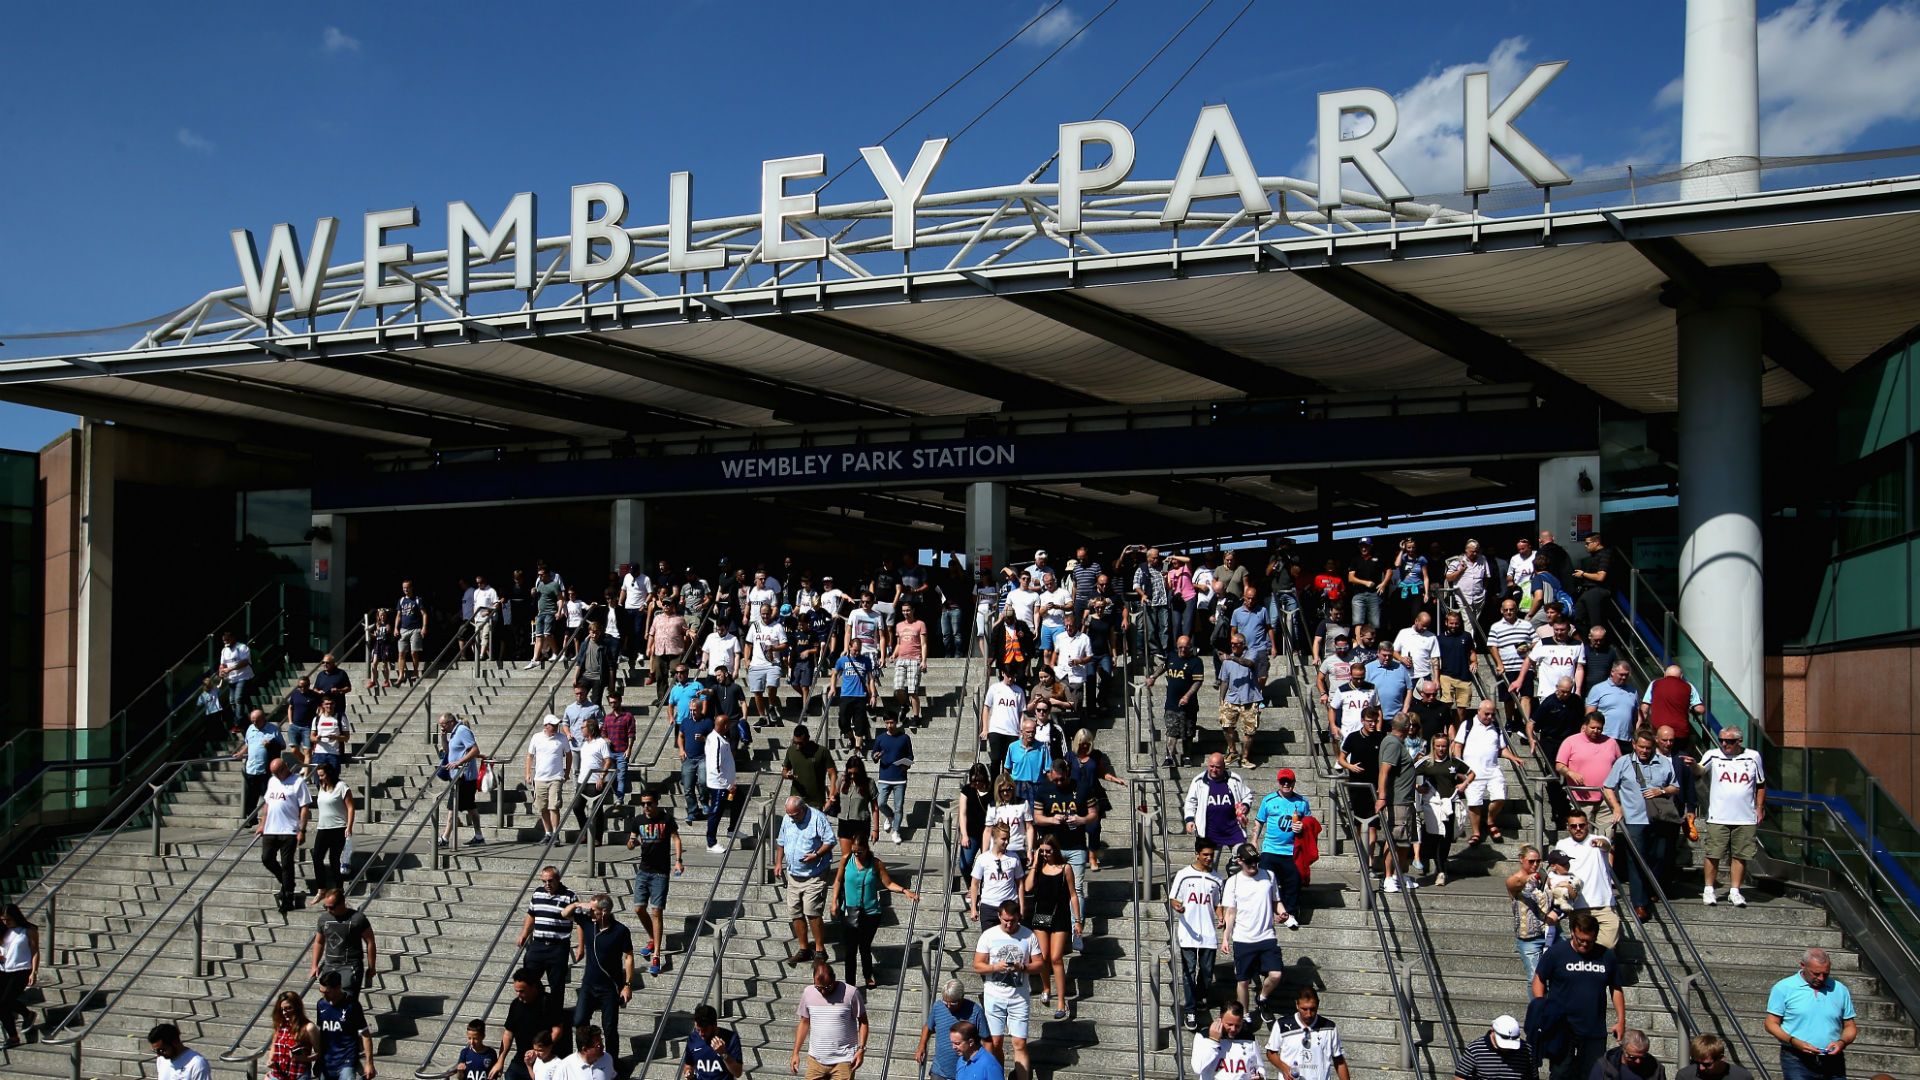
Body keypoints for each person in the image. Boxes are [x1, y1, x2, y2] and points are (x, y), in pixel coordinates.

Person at [1531, 911, 1625, 1080]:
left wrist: (1621, 1021)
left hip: (1593, 1028)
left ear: (1596, 936)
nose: (1583, 944)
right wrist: (1540, 1006)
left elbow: (1616, 988)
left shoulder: (1606, 956)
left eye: (1589, 941)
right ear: (1573, 933)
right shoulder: (1556, 953)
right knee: (1561, 1073)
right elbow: (1538, 979)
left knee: (1593, 1074)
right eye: (1579, 940)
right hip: (1561, 1027)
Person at [1601, 732, 1680, 920]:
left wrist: (1660, 790)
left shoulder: (1663, 762)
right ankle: (1639, 903)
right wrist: (1617, 807)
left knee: (1659, 856)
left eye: (1648, 747)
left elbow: (1675, 786)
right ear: (1634, 744)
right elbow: (1608, 786)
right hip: (1634, 819)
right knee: (1636, 861)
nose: (1645, 751)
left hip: (1659, 819)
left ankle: (1651, 888)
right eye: (1641, 747)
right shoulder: (1623, 762)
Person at [829, 834, 919, 990]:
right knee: (850, 948)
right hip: (849, 910)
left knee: (864, 945)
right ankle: (850, 983)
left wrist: (905, 891)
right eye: (854, 851)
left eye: (859, 852)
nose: (856, 854)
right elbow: (838, 881)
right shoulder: (846, 860)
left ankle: (868, 974)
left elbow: (888, 883)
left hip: (870, 912)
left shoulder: (876, 864)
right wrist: (834, 901)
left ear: (866, 849)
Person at [973, 900, 1044, 1080]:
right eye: (1005, 920)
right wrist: (996, 967)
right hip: (994, 996)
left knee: (1019, 1043)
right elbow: (978, 965)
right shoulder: (988, 935)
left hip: (1018, 997)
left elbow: (1040, 964)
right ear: (999, 916)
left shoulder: (1029, 936)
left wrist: (1023, 967)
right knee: (995, 1043)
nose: (1008, 924)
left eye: (1012, 920)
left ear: (1019, 917)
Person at [560, 894, 634, 1065]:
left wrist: (627, 985)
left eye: (594, 910)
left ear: (605, 911)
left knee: (609, 1028)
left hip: (609, 987)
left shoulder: (620, 931)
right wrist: (579, 903)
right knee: (579, 1021)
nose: (590, 912)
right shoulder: (587, 923)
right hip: (589, 985)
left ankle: (612, 1063)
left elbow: (628, 957)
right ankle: (584, 1055)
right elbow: (564, 914)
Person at [1219, 842, 1289, 1022]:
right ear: (1239, 861)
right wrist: (1226, 937)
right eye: (1249, 862)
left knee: (1276, 974)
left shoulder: (1269, 876)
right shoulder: (1233, 882)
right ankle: (1245, 1015)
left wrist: (1282, 913)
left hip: (1266, 936)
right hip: (1243, 938)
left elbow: (1276, 901)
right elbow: (1230, 912)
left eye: (1256, 861)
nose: (1253, 865)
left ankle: (1262, 997)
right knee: (1242, 981)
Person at [1696, 725, 1765, 908]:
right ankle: (1709, 889)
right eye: (1722, 740)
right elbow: (1700, 770)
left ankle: (1735, 891)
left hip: (1744, 816)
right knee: (1713, 853)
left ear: (1739, 741)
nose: (1725, 744)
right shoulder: (1713, 754)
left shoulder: (1753, 756)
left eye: (1730, 741)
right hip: (1719, 815)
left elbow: (1761, 784)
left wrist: (1759, 807)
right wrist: (1692, 765)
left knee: (1740, 855)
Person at [1032, 758, 1098, 946]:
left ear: (1068, 774)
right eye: (1055, 779)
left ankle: (1077, 930)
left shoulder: (1083, 788)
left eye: (1062, 779)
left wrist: (1080, 820)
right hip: (1052, 848)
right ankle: (1048, 929)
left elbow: (1094, 813)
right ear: (1051, 775)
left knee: (1075, 889)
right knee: (1048, 889)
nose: (1059, 783)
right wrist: (1052, 820)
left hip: (1076, 846)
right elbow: (1037, 817)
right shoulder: (1044, 790)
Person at [1765, 947, 1857, 1080]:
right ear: (1803, 966)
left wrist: (1842, 1042)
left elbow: (1850, 1025)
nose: (1821, 978)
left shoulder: (1840, 989)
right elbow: (1770, 1023)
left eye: (1825, 974)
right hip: (1797, 1059)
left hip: (1832, 1060)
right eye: (1816, 973)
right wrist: (1793, 1041)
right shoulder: (1784, 988)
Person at [1021, 835, 1080, 1020]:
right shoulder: (1038, 868)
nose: (1045, 854)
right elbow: (1028, 888)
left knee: (1056, 957)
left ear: (1055, 850)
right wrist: (1035, 862)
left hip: (1059, 916)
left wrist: (1077, 920)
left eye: (1048, 851)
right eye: (1042, 851)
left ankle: (1061, 1001)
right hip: (1041, 915)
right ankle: (1046, 987)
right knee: (1043, 956)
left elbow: (1073, 894)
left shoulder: (1065, 868)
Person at [624, 791, 682, 977]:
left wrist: (679, 860)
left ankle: (656, 954)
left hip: (660, 873)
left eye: (649, 803)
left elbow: (676, 838)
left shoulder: (666, 819)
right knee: (639, 909)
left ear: (656, 803)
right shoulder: (638, 820)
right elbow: (630, 844)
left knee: (656, 911)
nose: (646, 807)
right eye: (643, 804)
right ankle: (652, 938)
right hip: (644, 870)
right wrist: (631, 843)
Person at [1457, 700, 1529, 845]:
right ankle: (1476, 833)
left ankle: (1490, 820)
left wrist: (1514, 758)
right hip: (1472, 772)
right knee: (1474, 802)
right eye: (1486, 714)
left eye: (1492, 714)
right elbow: (1458, 745)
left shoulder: (1496, 726)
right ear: (1479, 711)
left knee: (1500, 797)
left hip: (1492, 769)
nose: (1490, 717)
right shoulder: (1467, 725)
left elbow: (1502, 749)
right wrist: (1459, 766)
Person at [1170, 837, 1224, 1031]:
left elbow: (1218, 904)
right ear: (1197, 854)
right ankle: (1190, 1009)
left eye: (1211, 855)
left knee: (1207, 972)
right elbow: (1174, 898)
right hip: (1188, 931)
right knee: (1189, 972)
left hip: (1208, 932)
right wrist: (1178, 907)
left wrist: (1221, 917)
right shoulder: (1184, 874)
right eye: (1205, 855)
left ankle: (1199, 995)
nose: (1209, 858)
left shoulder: (1217, 879)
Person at [776, 794, 837, 965]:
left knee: (812, 910)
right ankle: (804, 948)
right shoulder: (788, 820)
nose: (792, 818)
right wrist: (778, 862)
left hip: (815, 874)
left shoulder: (818, 818)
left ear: (802, 809)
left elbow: (830, 841)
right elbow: (781, 841)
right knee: (795, 911)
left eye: (795, 815)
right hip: (793, 874)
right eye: (789, 815)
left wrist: (816, 854)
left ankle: (820, 950)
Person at [514, 865, 578, 1015]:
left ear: (558, 879)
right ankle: (533, 1009)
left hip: (558, 947)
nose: (547, 885)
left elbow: (580, 922)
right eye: (544, 881)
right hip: (538, 944)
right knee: (529, 980)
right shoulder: (538, 893)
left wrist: (581, 946)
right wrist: (524, 933)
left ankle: (555, 1016)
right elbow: (531, 914)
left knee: (557, 985)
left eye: (550, 881)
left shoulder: (569, 896)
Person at [1553, 808, 1619, 948]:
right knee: (1582, 949)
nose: (1578, 829)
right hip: (1578, 907)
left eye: (1581, 825)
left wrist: (1601, 843)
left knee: (1607, 947)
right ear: (1568, 827)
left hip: (1603, 905)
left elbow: (1606, 845)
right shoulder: (1562, 845)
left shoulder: (1597, 840)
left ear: (1587, 824)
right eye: (1573, 826)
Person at [792, 958, 869, 1079]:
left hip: (843, 1061)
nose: (823, 991)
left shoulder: (851, 993)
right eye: (818, 987)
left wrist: (861, 1049)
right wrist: (795, 1053)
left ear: (834, 978)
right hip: (815, 1060)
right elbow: (804, 1022)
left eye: (827, 987)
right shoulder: (808, 993)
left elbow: (863, 1021)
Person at [1414, 731, 1472, 886]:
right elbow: (1408, 773)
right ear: (1433, 746)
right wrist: (1418, 787)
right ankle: (1440, 869)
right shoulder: (1427, 762)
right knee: (1435, 836)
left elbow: (1471, 773)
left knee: (1446, 837)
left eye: (1444, 746)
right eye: (1438, 746)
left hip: (1450, 802)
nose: (1441, 749)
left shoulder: (1454, 761)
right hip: (1433, 803)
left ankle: (1442, 867)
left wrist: (1464, 784)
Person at [1251, 769, 1308, 922]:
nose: (1286, 784)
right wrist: (1254, 840)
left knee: (1293, 881)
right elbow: (1259, 821)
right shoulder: (1269, 800)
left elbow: (1310, 823)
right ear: (1279, 782)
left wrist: (1303, 826)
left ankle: (1290, 913)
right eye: (1283, 781)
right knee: (1264, 882)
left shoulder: (1302, 802)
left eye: (1289, 781)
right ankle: (1265, 911)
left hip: (1292, 851)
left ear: (1294, 782)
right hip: (1271, 848)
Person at [257, 757, 310, 913]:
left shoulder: (298, 782)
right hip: (271, 828)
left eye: (278, 772)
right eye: (274, 773)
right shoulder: (273, 781)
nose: (277, 775)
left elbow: (305, 807)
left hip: (289, 830)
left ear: (285, 768)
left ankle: (288, 897)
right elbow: (267, 803)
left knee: (287, 864)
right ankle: (287, 883)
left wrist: (302, 830)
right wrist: (262, 824)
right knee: (267, 858)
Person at [1264, 985, 1350, 1080]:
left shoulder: (1329, 1027)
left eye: (1312, 1009)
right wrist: (1284, 1068)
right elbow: (1271, 1052)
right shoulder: (1282, 1025)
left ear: (1318, 1004)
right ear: (1297, 1005)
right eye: (1304, 1009)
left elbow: (1339, 1060)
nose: (1308, 1014)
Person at [1556, 713, 1623, 834]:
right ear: (1585, 726)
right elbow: (1559, 765)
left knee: (1606, 838)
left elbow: (1621, 766)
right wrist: (1570, 773)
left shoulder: (1611, 743)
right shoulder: (1571, 741)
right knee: (1583, 837)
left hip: (1606, 799)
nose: (1596, 731)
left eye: (1599, 728)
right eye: (1593, 727)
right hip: (1581, 798)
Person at [496, 970, 566, 1080]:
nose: (518, 994)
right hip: (521, 1061)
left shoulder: (548, 1002)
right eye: (516, 991)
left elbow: (557, 1030)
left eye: (522, 991)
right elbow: (508, 1034)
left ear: (533, 987)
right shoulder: (515, 1005)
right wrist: (500, 1060)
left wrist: (539, 1049)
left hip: (543, 1061)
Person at [1377, 713, 1420, 893]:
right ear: (1406, 727)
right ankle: (1388, 877)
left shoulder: (1397, 743)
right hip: (1397, 801)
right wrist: (1382, 797)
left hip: (1406, 800)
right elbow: (1384, 771)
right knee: (1393, 840)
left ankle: (1398, 875)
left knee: (1403, 841)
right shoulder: (1393, 743)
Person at [1068, 729, 1122, 871]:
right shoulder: (1070, 756)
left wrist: (1115, 779)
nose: (1085, 746)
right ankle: (1078, 857)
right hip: (1075, 797)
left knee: (1094, 828)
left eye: (1087, 743)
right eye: (1082, 743)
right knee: (1075, 828)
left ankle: (1092, 857)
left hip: (1093, 797)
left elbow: (1102, 772)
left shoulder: (1095, 755)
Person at [310, 887, 377, 998]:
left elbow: (370, 942)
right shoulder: (324, 919)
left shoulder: (358, 919)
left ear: (342, 903)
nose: (328, 910)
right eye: (325, 907)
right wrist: (314, 965)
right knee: (328, 997)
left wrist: (372, 967)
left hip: (350, 966)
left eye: (331, 907)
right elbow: (319, 942)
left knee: (347, 998)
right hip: (330, 965)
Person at [1149, 634, 1205, 766]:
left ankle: (1187, 756)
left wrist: (1187, 696)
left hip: (1189, 704)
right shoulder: (1172, 656)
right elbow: (1163, 666)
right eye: (1180, 647)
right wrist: (1153, 677)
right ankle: (1169, 756)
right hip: (1172, 703)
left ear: (1190, 647)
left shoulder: (1196, 662)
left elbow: (1198, 682)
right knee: (1172, 729)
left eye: (1185, 647)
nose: (1183, 650)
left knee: (1188, 731)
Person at [1506, 846, 1559, 984]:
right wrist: (1529, 878)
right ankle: (1538, 1005)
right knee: (1535, 979)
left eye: (1538, 861)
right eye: (1531, 861)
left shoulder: (1543, 876)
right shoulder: (1514, 879)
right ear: (1521, 859)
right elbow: (1515, 883)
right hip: (1529, 937)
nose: (1535, 864)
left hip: (1550, 931)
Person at [314, 969, 377, 1080]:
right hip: (327, 1061)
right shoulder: (321, 1004)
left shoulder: (352, 1005)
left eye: (327, 992)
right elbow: (321, 1033)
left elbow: (365, 1034)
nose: (324, 995)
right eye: (321, 991)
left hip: (347, 1060)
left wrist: (369, 1063)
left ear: (338, 988)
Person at [1186, 752, 1255, 850]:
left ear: (1223, 766)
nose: (1214, 770)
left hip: (1233, 829)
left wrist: (1245, 806)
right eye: (1211, 766)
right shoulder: (1199, 781)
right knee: (1208, 862)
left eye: (1217, 767)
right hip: (1209, 831)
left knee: (1241, 859)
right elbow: (1190, 801)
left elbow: (1247, 795)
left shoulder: (1234, 779)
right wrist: (1189, 820)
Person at [1217, 635, 1265, 768]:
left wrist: (1230, 658)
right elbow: (1224, 680)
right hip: (1232, 698)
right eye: (1232, 644)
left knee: (1249, 731)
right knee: (1226, 726)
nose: (1233, 646)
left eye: (1236, 644)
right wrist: (1221, 699)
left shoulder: (1252, 653)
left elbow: (1249, 663)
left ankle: (1245, 758)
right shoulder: (1227, 661)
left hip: (1249, 699)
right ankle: (1232, 751)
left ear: (1243, 644)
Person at [439, 712, 485, 847]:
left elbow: (475, 750)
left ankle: (445, 838)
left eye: (443, 725)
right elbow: (448, 751)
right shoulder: (453, 733)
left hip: (464, 776)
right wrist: (443, 737)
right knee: (471, 807)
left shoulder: (462, 731)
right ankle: (479, 836)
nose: (442, 728)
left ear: (450, 722)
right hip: (457, 776)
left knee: (452, 807)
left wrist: (459, 762)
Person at [309, 763, 355, 899]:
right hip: (323, 827)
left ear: (329, 773)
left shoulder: (342, 787)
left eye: (322, 775)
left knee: (334, 859)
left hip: (338, 827)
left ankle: (339, 888)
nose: (320, 778)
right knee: (317, 856)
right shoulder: (321, 787)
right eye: (319, 776)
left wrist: (349, 826)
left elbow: (351, 808)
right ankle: (321, 888)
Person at [526, 716, 571, 846]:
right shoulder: (536, 737)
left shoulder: (561, 738)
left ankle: (556, 834)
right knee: (542, 807)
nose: (556, 727)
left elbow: (569, 754)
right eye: (553, 725)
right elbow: (530, 755)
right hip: (540, 778)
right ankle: (548, 833)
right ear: (546, 726)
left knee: (554, 806)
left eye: (557, 725)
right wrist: (528, 773)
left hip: (555, 778)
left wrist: (567, 772)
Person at [1452, 1015, 1539, 1080]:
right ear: (1493, 1031)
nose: (1507, 1048)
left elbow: (1533, 1077)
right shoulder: (1475, 1049)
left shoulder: (1527, 1050)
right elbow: (1460, 1076)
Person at [1191, 1002, 1263, 1080]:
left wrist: (1261, 1076)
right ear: (1220, 1019)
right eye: (1229, 1024)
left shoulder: (1249, 1038)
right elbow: (1197, 1068)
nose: (1233, 1029)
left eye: (1237, 1025)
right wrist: (1213, 1041)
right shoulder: (1203, 1036)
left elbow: (1259, 1067)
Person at [0, 904, 38, 1048]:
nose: (5, 923)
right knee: (3, 1003)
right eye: (3, 920)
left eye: (8, 920)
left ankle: (13, 1037)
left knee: (3, 1003)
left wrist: (34, 971)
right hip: (3, 969)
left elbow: (35, 951)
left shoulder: (28, 930)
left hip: (21, 970)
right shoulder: (3, 931)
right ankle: (27, 1015)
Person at [234, 708, 282, 821]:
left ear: (263, 719)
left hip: (265, 770)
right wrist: (241, 753)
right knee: (251, 796)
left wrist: (270, 744)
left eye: (256, 721)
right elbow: (248, 744)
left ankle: (271, 819)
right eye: (252, 721)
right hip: (251, 768)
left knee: (268, 796)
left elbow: (282, 746)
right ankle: (251, 819)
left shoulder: (273, 729)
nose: (254, 723)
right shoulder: (250, 729)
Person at [703, 712, 742, 853]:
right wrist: (727, 785)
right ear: (725, 725)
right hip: (719, 785)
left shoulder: (719, 738)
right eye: (728, 724)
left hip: (726, 783)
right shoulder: (716, 741)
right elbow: (715, 766)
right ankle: (711, 843)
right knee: (716, 811)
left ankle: (732, 829)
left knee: (739, 800)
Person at [569, 717, 612, 843]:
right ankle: (585, 831)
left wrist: (602, 777)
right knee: (577, 807)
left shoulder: (601, 743)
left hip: (595, 781)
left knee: (596, 810)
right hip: (582, 780)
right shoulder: (585, 744)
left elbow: (608, 760)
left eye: (583, 727)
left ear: (591, 729)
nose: (581, 729)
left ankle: (597, 837)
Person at [873, 713, 914, 843]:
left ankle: (896, 830)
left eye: (892, 723)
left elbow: (910, 756)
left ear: (896, 722)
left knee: (899, 807)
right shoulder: (880, 738)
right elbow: (873, 754)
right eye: (887, 723)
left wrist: (906, 765)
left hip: (900, 778)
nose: (889, 725)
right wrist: (876, 756)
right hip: (884, 776)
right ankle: (889, 816)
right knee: (880, 803)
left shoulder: (904, 738)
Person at [680, 1002, 744, 1079]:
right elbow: (688, 1065)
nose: (701, 1034)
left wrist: (723, 1054)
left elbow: (738, 1073)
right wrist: (688, 1072)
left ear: (715, 1025)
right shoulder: (693, 1038)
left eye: (705, 1030)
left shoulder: (731, 1038)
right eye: (698, 1030)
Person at [833, 758, 881, 860]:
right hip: (844, 822)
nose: (852, 776)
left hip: (861, 822)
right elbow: (834, 797)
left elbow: (875, 807)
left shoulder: (869, 783)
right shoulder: (841, 780)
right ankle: (846, 875)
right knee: (846, 856)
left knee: (859, 855)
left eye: (855, 773)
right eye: (850, 773)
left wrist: (876, 829)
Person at [265, 991, 317, 1080]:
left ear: (297, 1007)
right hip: (278, 1075)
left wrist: (303, 1058)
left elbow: (319, 1053)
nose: (284, 1012)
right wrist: (270, 1060)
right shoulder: (280, 1025)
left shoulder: (308, 1027)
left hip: (298, 1074)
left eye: (288, 1008)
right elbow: (274, 1045)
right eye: (281, 1009)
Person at [988, 775, 1034, 869]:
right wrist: (985, 853)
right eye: (1002, 790)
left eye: (1008, 789)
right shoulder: (992, 806)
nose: (1005, 793)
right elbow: (988, 830)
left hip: (1018, 849)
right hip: (998, 850)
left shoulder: (1023, 803)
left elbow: (1029, 828)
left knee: (1020, 882)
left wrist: (1029, 850)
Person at [598, 690, 634, 804]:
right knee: (611, 776)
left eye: (614, 702)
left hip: (622, 751)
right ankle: (615, 795)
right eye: (611, 703)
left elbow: (631, 734)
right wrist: (605, 738)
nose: (613, 705)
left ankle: (619, 799)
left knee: (621, 776)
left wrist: (629, 749)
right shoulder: (608, 718)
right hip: (610, 752)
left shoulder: (628, 716)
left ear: (620, 701)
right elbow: (603, 732)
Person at [956, 763, 992, 881]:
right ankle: (972, 887)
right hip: (971, 833)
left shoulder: (992, 791)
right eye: (974, 780)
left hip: (989, 831)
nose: (976, 783)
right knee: (964, 864)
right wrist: (964, 834)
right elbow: (962, 813)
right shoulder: (967, 790)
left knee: (988, 864)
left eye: (979, 780)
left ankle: (984, 888)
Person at [1674, 1034, 1755, 1080]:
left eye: (1707, 1064)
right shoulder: (1685, 1076)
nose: (1701, 1068)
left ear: (1721, 1058)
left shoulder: (1742, 1077)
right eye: (1697, 1062)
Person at [1593, 1030, 1666, 1080]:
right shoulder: (1605, 1067)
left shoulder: (1656, 1069)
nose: (1638, 1061)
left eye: (1642, 1057)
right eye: (1632, 1057)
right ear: (1623, 1049)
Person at [219, 628, 256, 719]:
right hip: (232, 679)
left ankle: (239, 722)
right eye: (224, 640)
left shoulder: (242, 647)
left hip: (243, 677)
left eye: (227, 640)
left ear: (233, 638)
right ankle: (250, 715)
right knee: (233, 701)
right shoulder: (224, 650)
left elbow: (245, 662)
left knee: (238, 699)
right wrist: (221, 671)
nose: (225, 642)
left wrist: (229, 669)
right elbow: (222, 664)